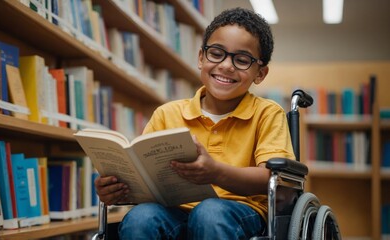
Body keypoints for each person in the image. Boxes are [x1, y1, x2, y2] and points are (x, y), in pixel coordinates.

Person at [94, 7, 295, 239]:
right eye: (217, 53)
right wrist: (117, 190)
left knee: (209, 212)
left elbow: (273, 179)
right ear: (201, 57)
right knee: (141, 218)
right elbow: (145, 178)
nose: (227, 66)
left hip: (242, 212)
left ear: (260, 74)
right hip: (174, 211)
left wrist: (216, 173)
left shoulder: (268, 113)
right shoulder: (166, 114)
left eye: (242, 60)